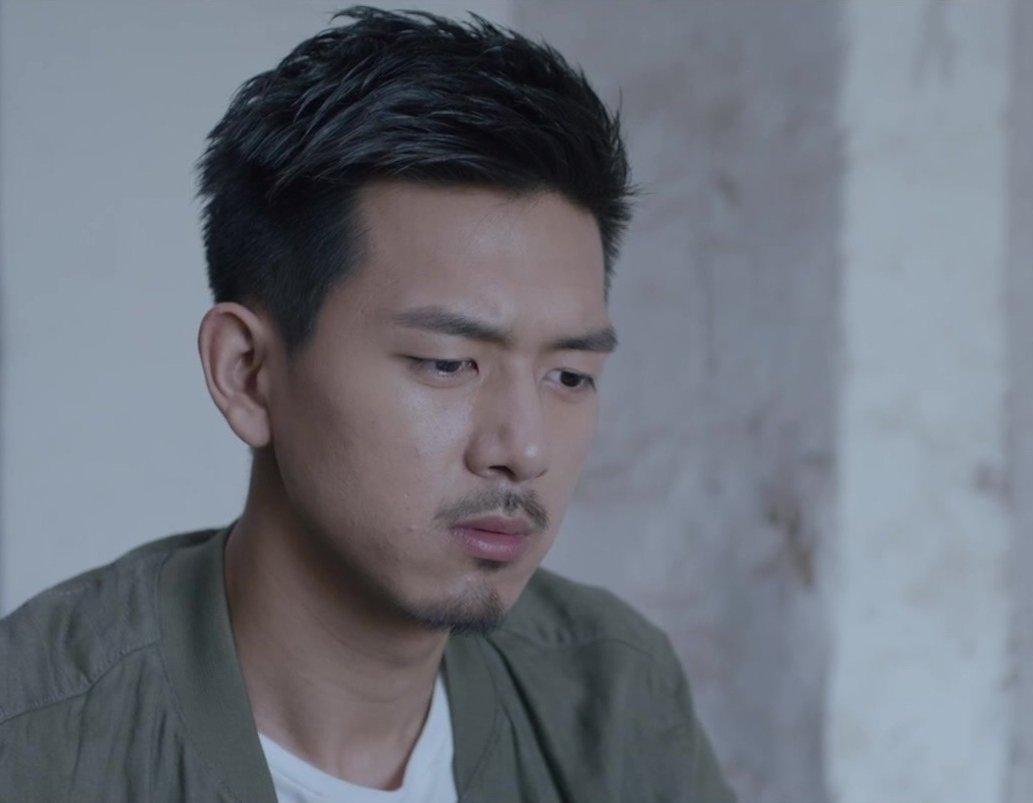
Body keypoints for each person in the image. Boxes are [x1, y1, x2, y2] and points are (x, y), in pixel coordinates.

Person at [0, 7, 734, 801]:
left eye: (570, 375)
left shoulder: (611, 695)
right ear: (247, 373)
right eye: (448, 363)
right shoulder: (41, 743)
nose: (525, 449)